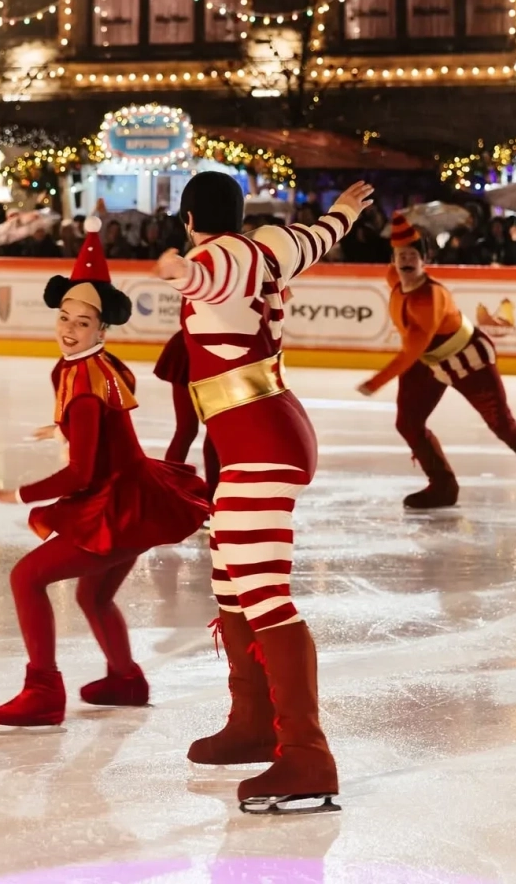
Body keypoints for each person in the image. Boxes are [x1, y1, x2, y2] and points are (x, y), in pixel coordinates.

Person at [155, 172, 373, 813]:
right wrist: (341, 212)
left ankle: (306, 753)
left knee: (264, 592)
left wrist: (182, 269)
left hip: (259, 441)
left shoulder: (222, 255)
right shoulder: (272, 246)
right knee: (231, 581)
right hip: (262, 431)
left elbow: (213, 274)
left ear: (189, 220)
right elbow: (317, 238)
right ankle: (253, 721)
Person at [0, 219, 208, 727]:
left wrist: (15, 494)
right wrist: (62, 427)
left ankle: (43, 691)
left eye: (82, 323)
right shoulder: (95, 365)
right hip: (137, 498)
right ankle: (125, 679)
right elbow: (102, 417)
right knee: (94, 594)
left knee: (25, 578)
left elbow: (80, 473)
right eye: (64, 317)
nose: (68, 329)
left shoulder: (82, 380)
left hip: (116, 506)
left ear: (102, 330)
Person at [357, 212, 516, 511]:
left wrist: (375, 382)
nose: (406, 261)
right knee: (408, 423)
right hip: (428, 362)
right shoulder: (393, 278)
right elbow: (416, 350)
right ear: (393, 260)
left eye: (412, 255)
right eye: (400, 256)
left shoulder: (430, 297)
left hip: (469, 361)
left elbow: (413, 349)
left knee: (502, 425)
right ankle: (442, 486)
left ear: (424, 260)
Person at [154, 324, 220, 519]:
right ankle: (170, 492)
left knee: (205, 430)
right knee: (190, 429)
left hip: (208, 348)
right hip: (194, 349)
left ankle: (210, 496)